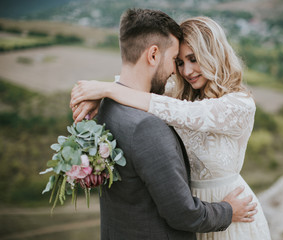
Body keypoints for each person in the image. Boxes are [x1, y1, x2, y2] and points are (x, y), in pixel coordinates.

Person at [70, 14, 271, 240]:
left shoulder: (239, 104)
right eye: (179, 62)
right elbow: (139, 84)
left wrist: (106, 90)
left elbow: (180, 112)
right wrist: (103, 93)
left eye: (194, 59)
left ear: (212, 54)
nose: (186, 71)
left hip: (233, 210)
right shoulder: (181, 91)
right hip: (195, 211)